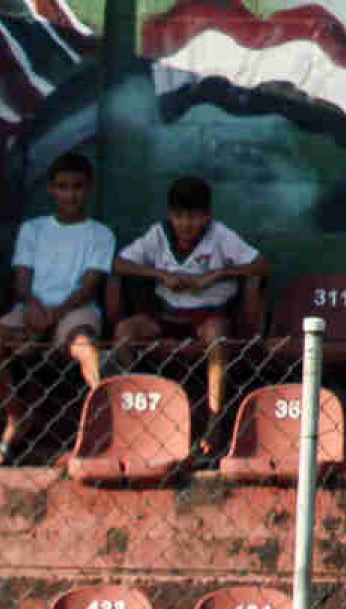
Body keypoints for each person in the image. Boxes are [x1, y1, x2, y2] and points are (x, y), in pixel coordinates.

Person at [0, 153, 115, 465]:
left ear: (88, 188)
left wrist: (56, 314)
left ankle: (108, 423)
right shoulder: (33, 229)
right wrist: (35, 307)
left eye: (77, 187)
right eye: (63, 187)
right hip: (32, 308)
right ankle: (16, 415)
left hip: (76, 310)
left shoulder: (100, 233)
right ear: (51, 189)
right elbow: (22, 280)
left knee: (86, 349)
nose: (70, 194)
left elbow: (90, 286)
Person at [111, 175, 270, 449]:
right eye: (179, 216)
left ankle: (214, 421)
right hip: (167, 315)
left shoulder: (220, 235)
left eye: (194, 217)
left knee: (218, 337)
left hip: (208, 316)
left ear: (207, 215)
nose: (186, 224)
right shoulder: (159, 234)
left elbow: (261, 265)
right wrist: (160, 274)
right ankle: (133, 413)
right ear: (170, 215)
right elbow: (120, 264)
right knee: (125, 332)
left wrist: (218, 274)